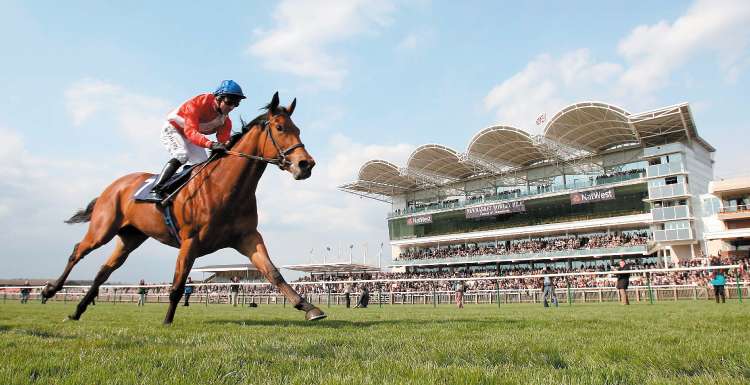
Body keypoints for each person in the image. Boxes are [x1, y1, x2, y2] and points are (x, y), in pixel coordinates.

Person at [145, 80, 246, 202]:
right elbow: (190, 131)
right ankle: (156, 190)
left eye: (236, 104)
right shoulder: (198, 103)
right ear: (218, 98)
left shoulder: (225, 122)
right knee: (182, 155)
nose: (231, 107)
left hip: (191, 137)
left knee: (202, 165)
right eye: (229, 102)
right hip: (173, 129)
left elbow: (224, 142)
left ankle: (180, 192)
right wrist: (210, 144)